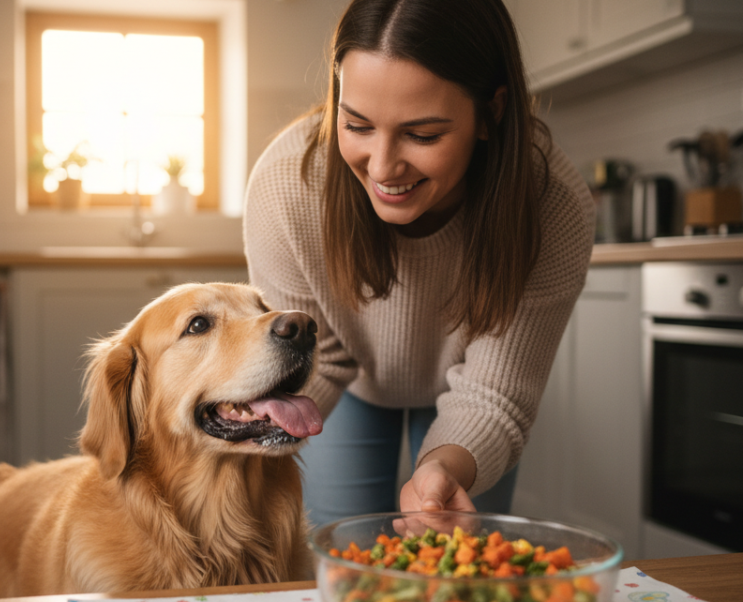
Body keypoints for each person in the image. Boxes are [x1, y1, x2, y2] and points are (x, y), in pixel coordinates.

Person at [243, 0, 595, 527]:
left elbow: (493, 392)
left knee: (459, 564)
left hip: (474, 390)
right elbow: (312, 358)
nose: (383, 167)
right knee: (340, 546)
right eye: (357, 125)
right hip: (345, 378)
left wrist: (442, 468)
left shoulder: (553, 208)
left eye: (423, 135)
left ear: (491, 111)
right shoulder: (285, 188)